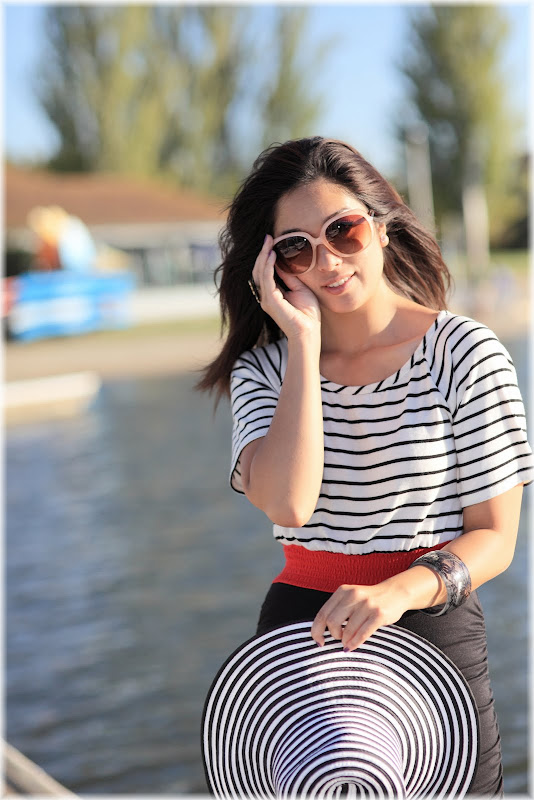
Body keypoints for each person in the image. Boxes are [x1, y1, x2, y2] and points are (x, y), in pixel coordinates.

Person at [197, 136, 533, 797]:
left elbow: (496, 538)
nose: (326, 260)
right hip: (303, 634)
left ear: (381, 227)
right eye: (296, 247)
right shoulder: (263, 371)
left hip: (430, 620)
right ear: (272, 265)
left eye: (342, 230)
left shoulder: (465, 353)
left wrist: (398, 592)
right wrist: (302, 343)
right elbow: (289, 504)